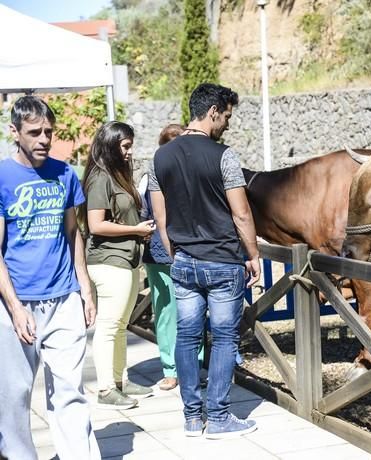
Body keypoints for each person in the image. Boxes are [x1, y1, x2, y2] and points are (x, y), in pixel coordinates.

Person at [149, 83, 261, 439]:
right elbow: (241, 214)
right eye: (226, 116)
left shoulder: (160, 157)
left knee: (186, 338)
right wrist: (254, 254)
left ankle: (192, 419)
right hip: (223, 262)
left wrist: (174, 252)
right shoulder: (223, 155)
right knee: (225, 338)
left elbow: (160, 218)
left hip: (183, 261)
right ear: (213, 111)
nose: (227, 123)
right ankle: (220, 416)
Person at [0, 95, 100, 459]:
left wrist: (85, 288)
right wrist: (14, 307)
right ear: (15, 132)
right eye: (35, 132)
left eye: (49, 132)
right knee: (14, 392)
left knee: (71, 388)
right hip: (17, 301)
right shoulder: (2, 177)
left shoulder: (65, 174)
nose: (44, 139)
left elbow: (73, 234)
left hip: (63, 298)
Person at [83, 121, 156, 409]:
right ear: (112, 145)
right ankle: (105, 390)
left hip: (124, 259)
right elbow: (95, 225)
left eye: (130, 145)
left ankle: (119, 382)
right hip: (108, 260)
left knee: (121, 325)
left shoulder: (116, 175)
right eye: (125, 146)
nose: (129, 151)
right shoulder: (100, 178)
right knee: (109, 326)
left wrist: (137, 232)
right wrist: (137, 230)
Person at [140, 123, 202, 391]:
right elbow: (144, 215)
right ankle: (170, 367)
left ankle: (195, 365)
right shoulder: (149, 177)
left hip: (192, 250)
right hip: (158, 253)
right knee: (165, 311)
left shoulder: (196, 173)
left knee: (194, 310)